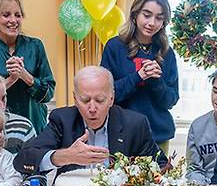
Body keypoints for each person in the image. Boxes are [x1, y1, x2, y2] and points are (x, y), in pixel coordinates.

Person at [13, 66, 167, 178]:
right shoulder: (62, 119)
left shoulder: (135, 123)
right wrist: (66, 156)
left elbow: (161, 166)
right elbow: (22, 160)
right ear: (75, 98)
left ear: (111, 99)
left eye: (100, 100)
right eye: (85, 100)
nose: (92, 108)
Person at [100, 0, 179, 156]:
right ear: (135, 14)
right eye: (147, 14)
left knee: (158, 182)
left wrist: (156, 80)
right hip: (122, 134)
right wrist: (139, 76)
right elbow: (106, 95)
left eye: (159, 18)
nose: (152, 23)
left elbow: (171, 100)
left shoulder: (166, 52)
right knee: (119, 182)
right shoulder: (114, 47)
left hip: (158, 135)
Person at [0, 0, 55, 134]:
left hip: (34, 126)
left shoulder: (35, 46)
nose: (13, 20)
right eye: (6, 15)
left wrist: (26, 76)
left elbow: (48, 94)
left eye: (18, 15)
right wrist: (11, 79)